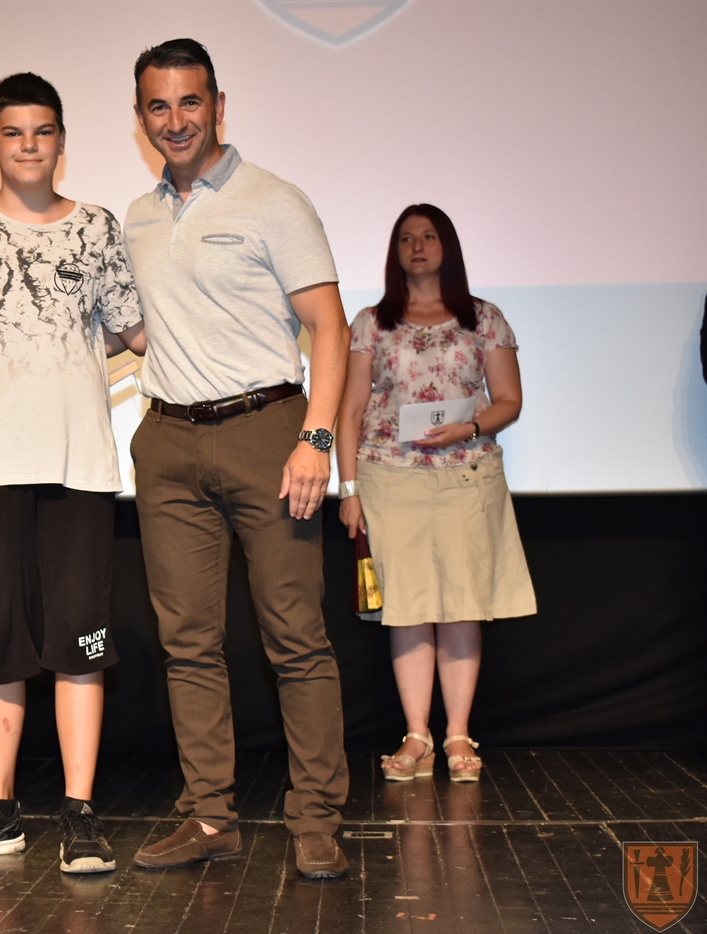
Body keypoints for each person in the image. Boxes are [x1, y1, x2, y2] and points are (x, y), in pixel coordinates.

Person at [122, 39, 351, 879]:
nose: (175, 120)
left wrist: (317, 439)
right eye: (158, 105)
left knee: (296, 638)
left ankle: (316, 818)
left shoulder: (274, 201)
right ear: (140, 117)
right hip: (167, 442)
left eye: (190, 102)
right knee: (187, 644)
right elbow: (137, 329)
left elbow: (331, 328)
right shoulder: (136, 219)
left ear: (219, 106)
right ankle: (210, 817)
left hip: (268, 433)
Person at [0, 73, 146, 875]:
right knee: (1, 643)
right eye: (13, 133)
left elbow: (135, 332)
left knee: (81, 642)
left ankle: (80, 812)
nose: (28, 146)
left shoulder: (98, 228)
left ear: (61, 142)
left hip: (81, 467)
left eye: (42, 131)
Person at [336, 204, 536, 783]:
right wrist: (348, 489)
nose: (417, 246)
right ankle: (417, 735)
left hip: (466, 474)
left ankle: (457, 735)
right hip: (387, 476)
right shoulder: (370, 323)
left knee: (462, 604)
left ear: (447, 245)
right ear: (395, 251)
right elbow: (349, 410)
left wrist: (466, 428)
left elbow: (509, 401)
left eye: (428, 236)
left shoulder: (484, 318)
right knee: (407, 607)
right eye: (406, 238)